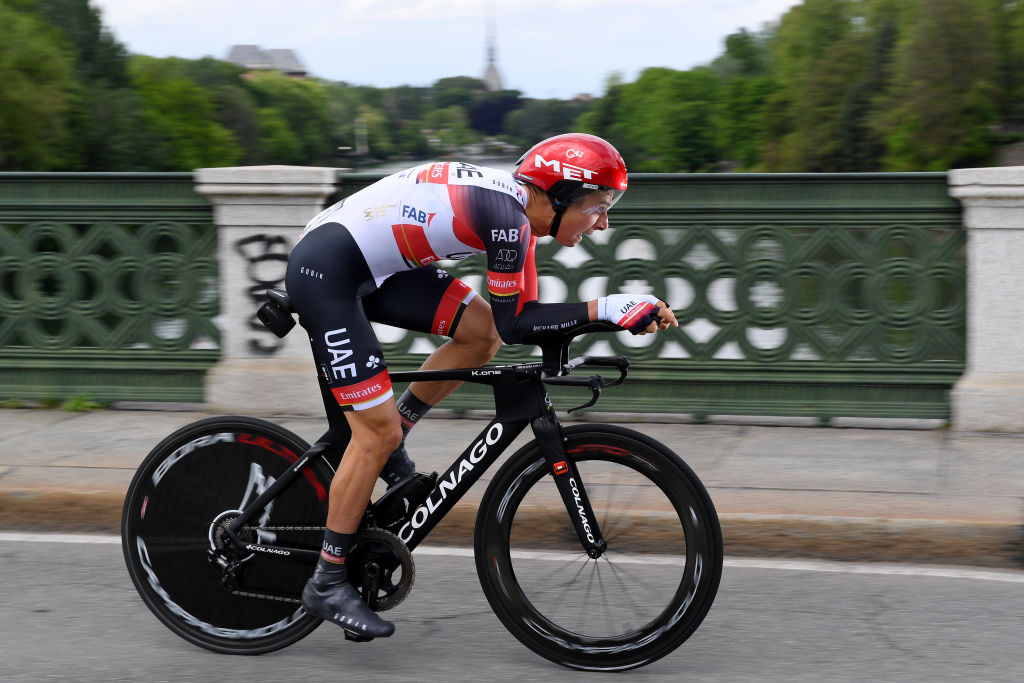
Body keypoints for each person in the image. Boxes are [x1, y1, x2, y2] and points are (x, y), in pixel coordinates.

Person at [284, 133, 678, 639]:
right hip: (328, 271)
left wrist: (605, 317)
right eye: (598, 207)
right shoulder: (507, 218)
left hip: (376, 268)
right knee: (372, 433)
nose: (604, 224)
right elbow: (522, 326)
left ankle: (396, 434)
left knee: (480, 332)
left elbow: (517, 323)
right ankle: (328, 579)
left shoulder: (519, 218)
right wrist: (607, 309)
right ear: (559, 196)